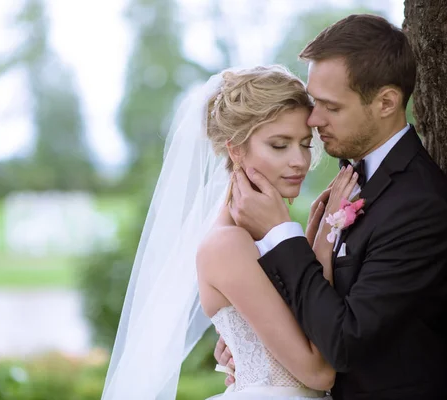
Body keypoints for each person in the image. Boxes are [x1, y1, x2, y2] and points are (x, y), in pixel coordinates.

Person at [216, 14, 447, 400]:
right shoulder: (352, 175)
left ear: (386, 102)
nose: (314, 119)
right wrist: (256, 339)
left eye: (331, 107)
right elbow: (319, 301)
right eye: (315, 101)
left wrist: (283, 234)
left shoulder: (418, 204)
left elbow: (345, 341)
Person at [101, 65, 356, 400]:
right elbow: (319, 373)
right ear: (235, 149)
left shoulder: (269, 231)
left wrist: (303, 240)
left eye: (305, 144)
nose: (299, 161)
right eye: (279, 145)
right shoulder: (227, 244)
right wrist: (323, 243)